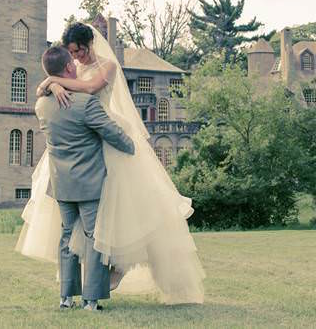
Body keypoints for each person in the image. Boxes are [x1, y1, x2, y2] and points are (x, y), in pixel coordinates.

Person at [16, 22, 205, 305]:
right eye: (71, 54)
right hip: (82, 139)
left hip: (104, 130)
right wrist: (52, 83)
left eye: (78, 51)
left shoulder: (107, 66)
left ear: (88, 45)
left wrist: (54, 82)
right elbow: (59, 88)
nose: (76, 58)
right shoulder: (71, 71)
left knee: (126, 209)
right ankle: (86, 286)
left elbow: (90, 87)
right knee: (82, 226)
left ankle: (115, 271)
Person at [32, 45, 136, 311]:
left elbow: (44, 90)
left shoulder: (41, 104)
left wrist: (51, 84)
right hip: (89, 182)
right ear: (69, 68)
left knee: (67, 237)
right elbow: (111, 132)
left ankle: (66, 297)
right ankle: (91, 299)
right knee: (94, 237)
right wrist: (132, 145)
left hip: (61, 182)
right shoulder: (85, 103)